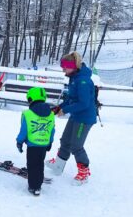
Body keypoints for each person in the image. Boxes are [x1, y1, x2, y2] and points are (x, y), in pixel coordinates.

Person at [46, 51, 97, 185]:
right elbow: (71, 98)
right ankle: (59, 164)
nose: (63, 70)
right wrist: (59, 107)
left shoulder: (83, 81)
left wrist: (65, 110)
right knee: (66, 140)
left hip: (84, 118)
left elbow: (84, 103)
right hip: (76, 114)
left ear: (73, 66)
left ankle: (84, 173)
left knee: (76, 146)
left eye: (65, 67)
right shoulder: (74, 77)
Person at [16, 87, 55, 196]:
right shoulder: (51, 114)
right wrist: (50, 142)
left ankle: (33, 186)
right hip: (43, 144)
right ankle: (39, 184)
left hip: (32, 145)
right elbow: (52, 129)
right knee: (39, 164)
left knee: (32, 165)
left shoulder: (28, 114)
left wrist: (19, 141)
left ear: (31, 99)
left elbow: (24, 130)